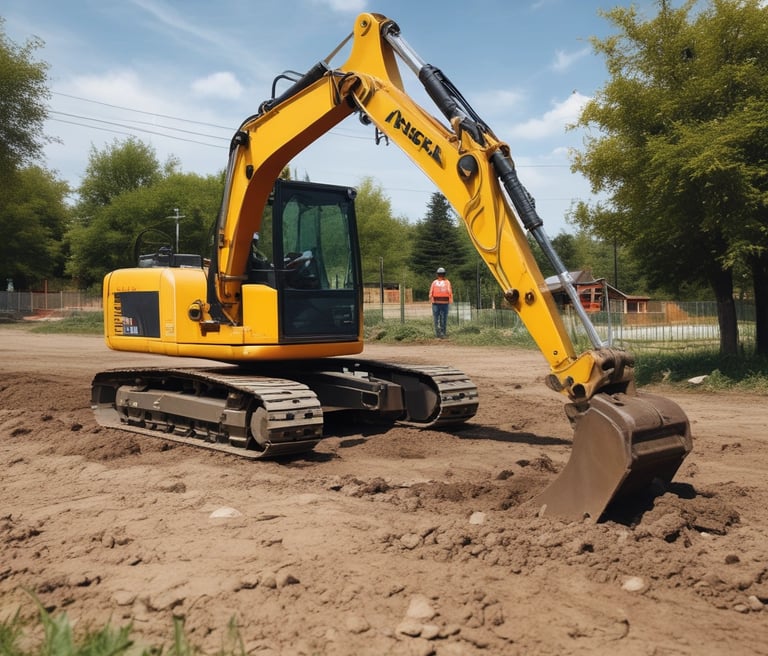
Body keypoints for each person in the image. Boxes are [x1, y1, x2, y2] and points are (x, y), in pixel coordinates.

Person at [429, 266, 453, 338]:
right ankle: (443, 333)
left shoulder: (434, 282)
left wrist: (431, 299)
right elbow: (449, 291)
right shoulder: (447, 282)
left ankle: (437, 334)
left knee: (436, 319)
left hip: (435, 303)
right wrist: (451, 299)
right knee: (443, 319)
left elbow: (430, 293)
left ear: (437, 274)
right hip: (445, 303)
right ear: (444, 274)